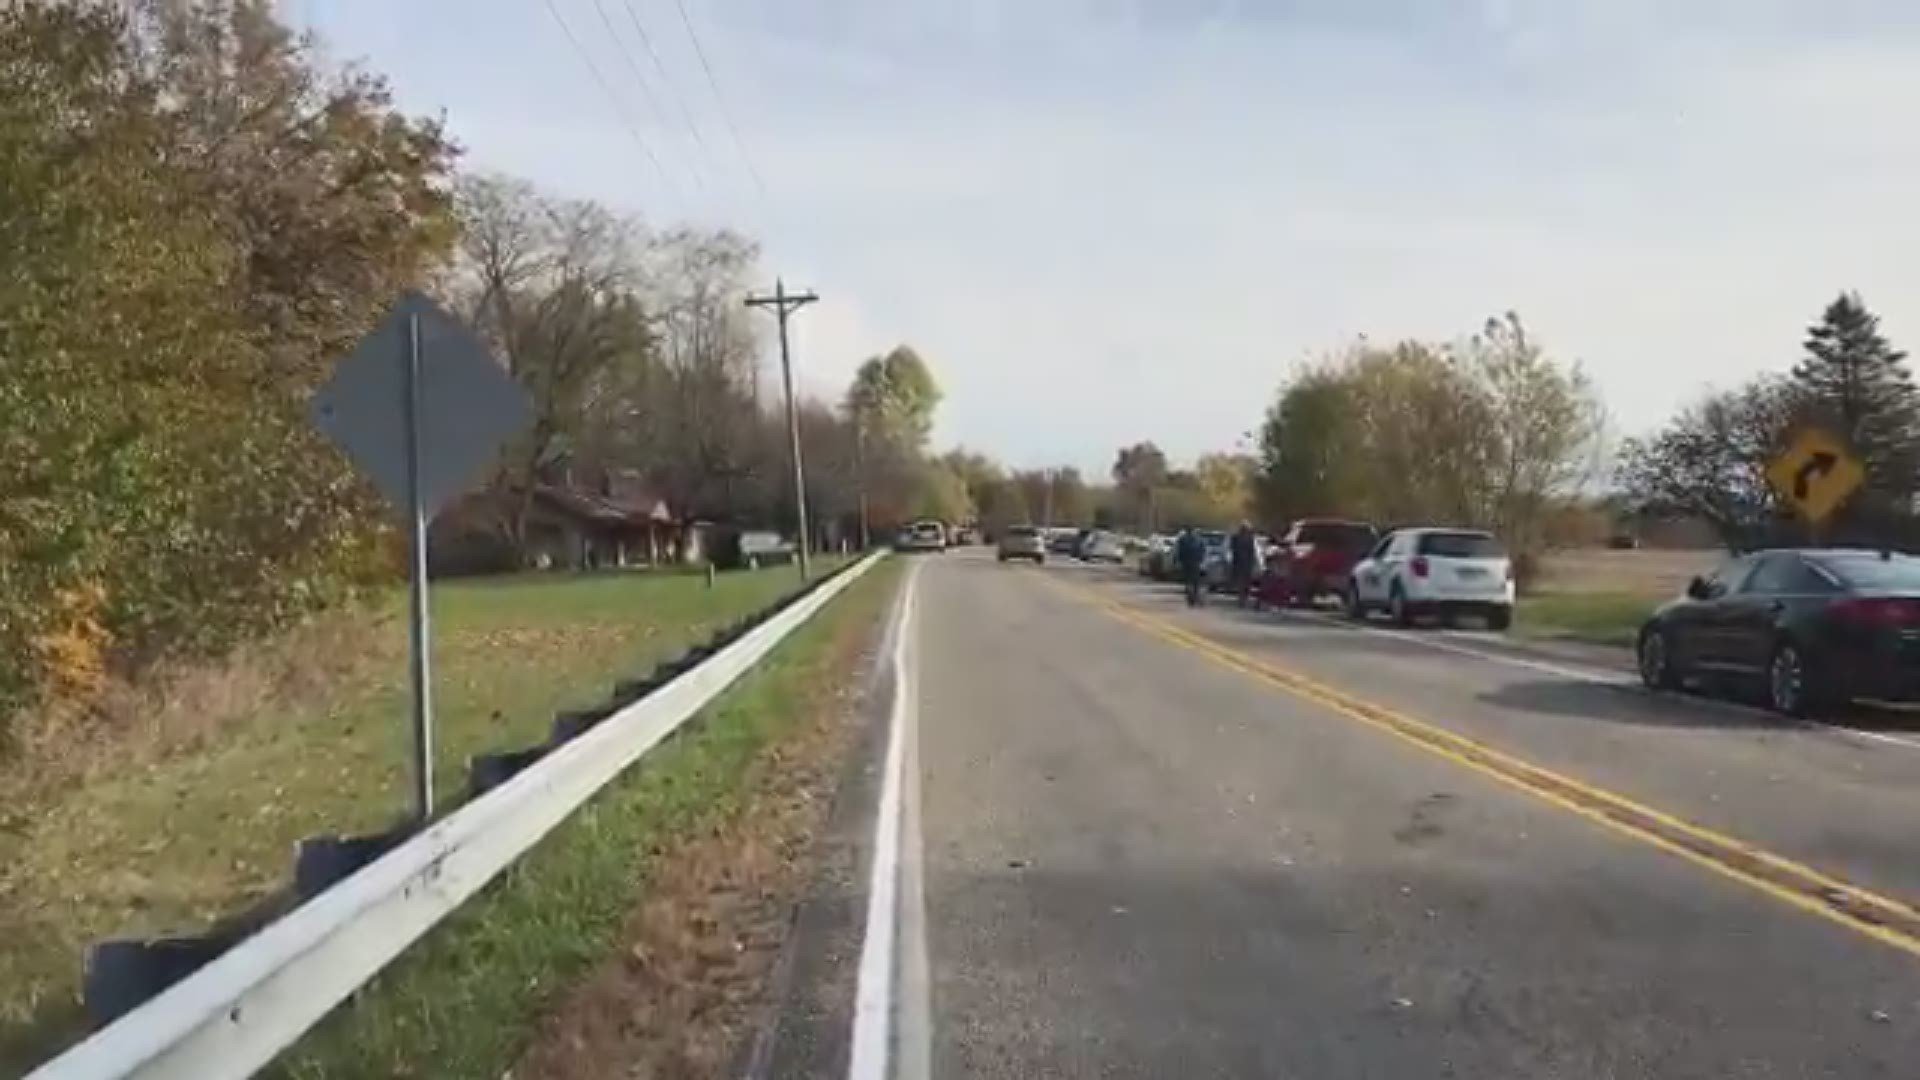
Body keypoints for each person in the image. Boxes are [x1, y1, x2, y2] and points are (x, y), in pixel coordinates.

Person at [1174, 526, 1207, 607]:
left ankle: (1191, 599)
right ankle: (1196, 598)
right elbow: (1204, 551)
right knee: (1196, 582)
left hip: (1187, 563)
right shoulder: (1199, 540)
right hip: (1196, 563)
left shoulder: (1183, 540)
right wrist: (1202, 562)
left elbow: (1178, 552)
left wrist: (1178, 561)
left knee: (1189, 582)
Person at [1230, 522, 1259, 607]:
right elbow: (1251, 552)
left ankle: (1242, 599)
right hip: (1243, 563)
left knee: (1244, 582)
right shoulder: (1246, 538)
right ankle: (1242, 599)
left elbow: (1252, 552)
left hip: (1243, 563)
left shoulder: (1247, 539)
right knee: (1243, 582)